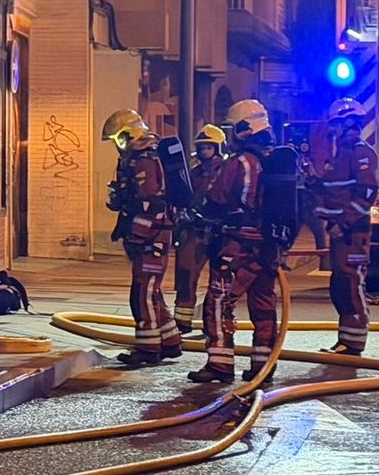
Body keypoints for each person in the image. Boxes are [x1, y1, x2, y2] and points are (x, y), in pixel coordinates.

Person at [191, 99, 282, 384]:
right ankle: (263, 365)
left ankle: (220, 364)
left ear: (243, 129)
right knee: (263, 304)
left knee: (219, 301)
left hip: (237, 245)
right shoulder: (274, 159)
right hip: (268, 246)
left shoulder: (240, 163)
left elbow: (218, 199)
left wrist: (200, 212)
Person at [101, 109, 185, 367]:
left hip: (153, 235)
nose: (117, 145)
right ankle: (170, 341)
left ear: (130, 134)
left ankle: (148, 348)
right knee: (151, 290)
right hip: (147, 235)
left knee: (144, 292)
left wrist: (137, 234)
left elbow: (152, 203)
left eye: (119, 138)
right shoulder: (134, 159)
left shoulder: (146, 160)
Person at [312, 98, 378, 356]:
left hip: (353, 233)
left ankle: (354, 342)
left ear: (349, 122)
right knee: (340, 284)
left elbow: (366, 194)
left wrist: (344, 223)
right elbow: (334, 190)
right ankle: (346, 340)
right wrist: (314, 181)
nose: (333, 129)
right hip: (340, 232)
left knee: (351, 283)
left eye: (336, 124)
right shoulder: (341, 154)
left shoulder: (361, 153)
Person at [172, 124, 227, 337]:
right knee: (186, 276)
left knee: (219, 281)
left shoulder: (227, 171)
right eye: (201, 147)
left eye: (209, 147)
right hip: (195, 231)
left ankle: (212, 322)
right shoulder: (194, 173)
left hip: (219, 233)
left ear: (218, 148)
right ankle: (182, 322)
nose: (204, 151)